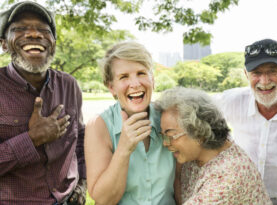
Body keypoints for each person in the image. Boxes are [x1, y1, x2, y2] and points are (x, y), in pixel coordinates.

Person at [0, 1, 86, 204]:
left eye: (43, 30)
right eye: (20, 29)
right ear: (4, 43)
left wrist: (82, 184)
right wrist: (32, 139)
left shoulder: (69, 85)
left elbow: (80, 140)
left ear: (53, 43)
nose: (34, 34)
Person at [215, 39, 277, 205]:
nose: (264, 81)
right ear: (246, 74)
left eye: (273, 71)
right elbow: (192, 110)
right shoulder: (232, 101)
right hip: (241, 198)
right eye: (256, 73)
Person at [84, 41, 175, 205]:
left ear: (152, 80)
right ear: (111, 87)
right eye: (124, 77)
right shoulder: (98, 126)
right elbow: (103, 200)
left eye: (141, 73)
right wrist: (124, 149)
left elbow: (181, 183)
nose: (135, 84)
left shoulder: (169, 118)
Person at [155, 87, 272, 205]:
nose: (165, 143)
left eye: (171, 136)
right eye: (164, 135)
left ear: (198, 132)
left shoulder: (228, 176)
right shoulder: (197, 154)